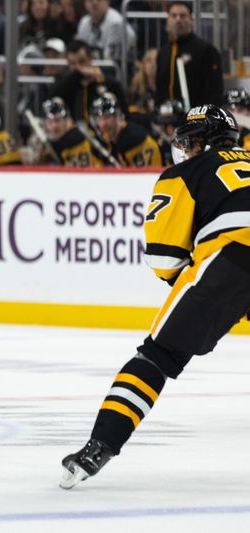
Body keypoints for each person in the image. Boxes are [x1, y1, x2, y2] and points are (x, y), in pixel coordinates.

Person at [60, 105, 250, 489]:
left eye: (189, 141)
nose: (183, 149)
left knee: (157, 356)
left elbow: (164, 259)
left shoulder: (186, 172)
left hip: (232, 256)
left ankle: (100, 446)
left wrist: (215, 298)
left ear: (202, 142)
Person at [155, 1, 223, 108]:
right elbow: (159, 89)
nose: (178, 19)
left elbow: (214, 91)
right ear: (168, 19)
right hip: (168, 119)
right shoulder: (163, 52)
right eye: (174, 15)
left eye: (182, 15)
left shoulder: (205, 50)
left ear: (191, 19)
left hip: (196, 118)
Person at [51, 40, 127, 125]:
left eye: (82, 61)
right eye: (73, 63)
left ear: (91, 58)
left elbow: (124, 114)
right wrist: (76, 76)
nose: (78, 68)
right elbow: (52, 97)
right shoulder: (67, 85)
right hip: (77, 134)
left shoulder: (109, 83)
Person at [90, 92, 161, 167]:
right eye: (99, 119)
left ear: (117, 116)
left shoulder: (138, 140)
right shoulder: (98, 143)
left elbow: (150, 175)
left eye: (107, 117)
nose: (103, 124)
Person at [42, 96, 102, 167]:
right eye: (50, 122)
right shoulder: (50, 142)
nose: (54, 126)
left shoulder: (79, 139)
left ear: (67, 121)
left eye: (57, 120)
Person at [153, 98, 185, 166]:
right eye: (164, 125)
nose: (164, 128)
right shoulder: (158, 142)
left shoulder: (186, 142)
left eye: (169, 125)